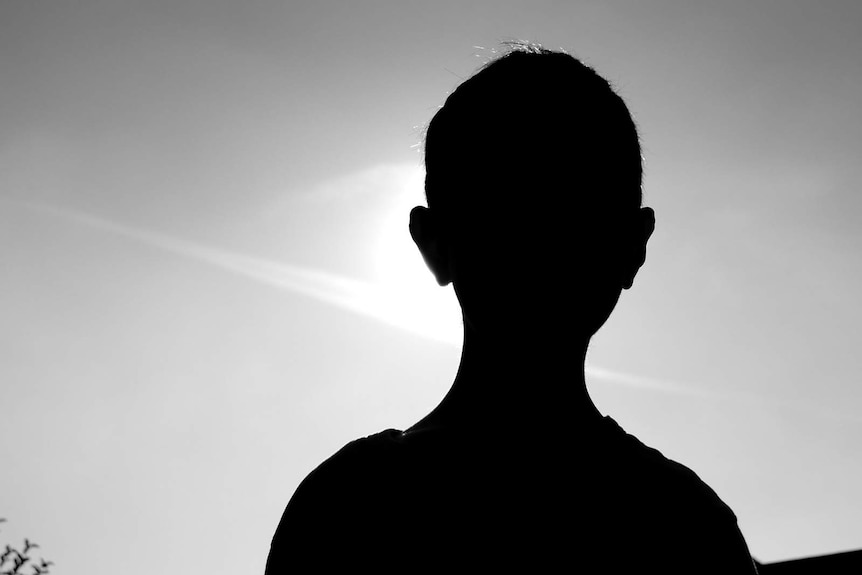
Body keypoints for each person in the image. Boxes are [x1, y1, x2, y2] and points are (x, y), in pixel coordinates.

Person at [266, 41, 759, 573]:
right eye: (508, 208)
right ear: (436, 243)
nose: (543, 240)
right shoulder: (682, 525)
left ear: (631, 246)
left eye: (575, 207)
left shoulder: (348, 507)